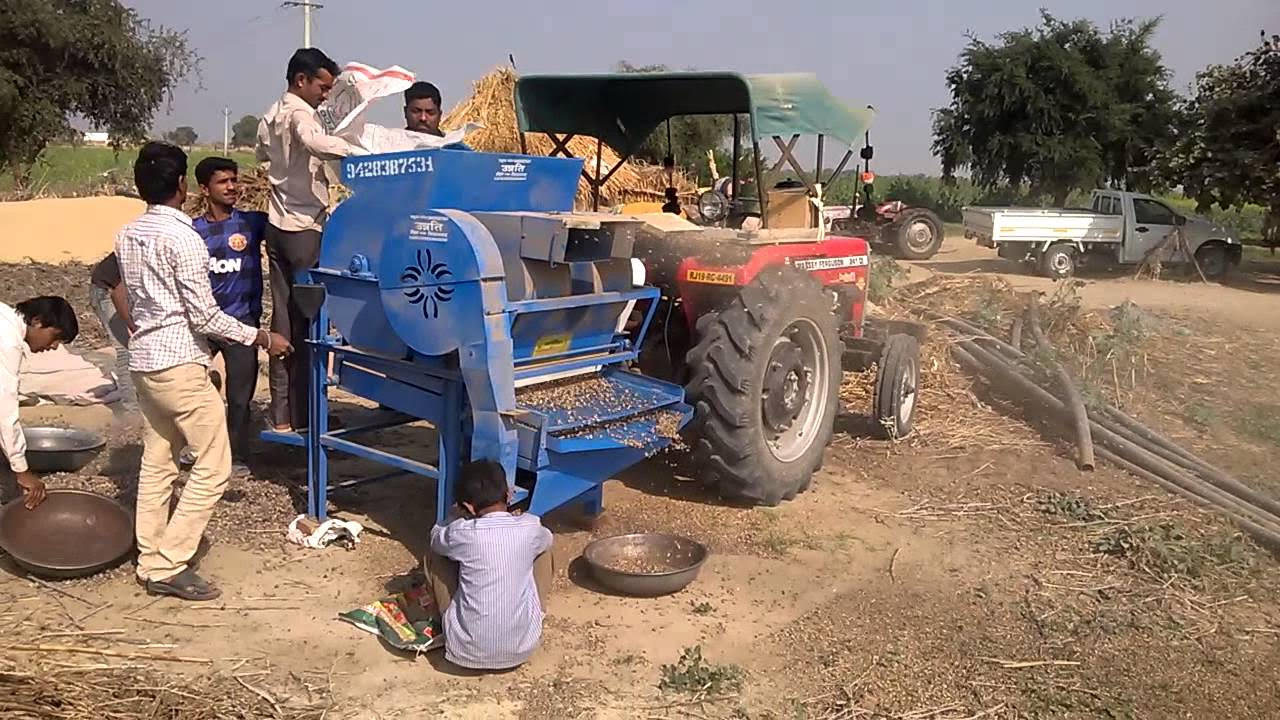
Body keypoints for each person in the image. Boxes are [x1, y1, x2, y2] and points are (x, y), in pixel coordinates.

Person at [116, 141, 292, 601]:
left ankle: (150, 552)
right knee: (214, 466)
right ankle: (169, 564)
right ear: (181, 186)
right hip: (179, 363)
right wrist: (261, 338)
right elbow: (206, 318)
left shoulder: (128, 234)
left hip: (145, 362)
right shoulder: (184, 238)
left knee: (158, 461)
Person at [256, 47, 358, 433]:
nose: (325, 95)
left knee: (284, 322)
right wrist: (358, 150)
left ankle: (284, 415)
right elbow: (315, 142)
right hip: (303, 228)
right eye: (322, 86)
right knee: (313, 326)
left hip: (278, 222)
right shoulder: (301, 114)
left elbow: (261, 154)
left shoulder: (269, 115)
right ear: (301, 81)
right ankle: (311, 413)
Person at [426, 460, 554, 671]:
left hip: (464, 650)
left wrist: (452, 517)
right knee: (543, 546)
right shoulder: (530, 526)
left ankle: (446, 619)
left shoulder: (461, 532)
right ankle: (537, 611)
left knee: (437, 553)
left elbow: (436, 539)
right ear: (509, 494)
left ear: (468, 506)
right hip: (521, 648)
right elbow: (546, 539)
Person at [192, 157, 269, 478]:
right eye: (222, 182)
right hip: (203, 325)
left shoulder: (253, 223)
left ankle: (237, 456)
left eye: (234, 180)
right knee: (192, 392)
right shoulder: (192, 230)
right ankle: (197, 449)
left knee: (240, 399)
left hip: (242, 326)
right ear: (204, 189)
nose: (232, 187)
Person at [0, 296, 78, 509]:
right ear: (36, 321)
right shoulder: (7, 342)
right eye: (55, 337)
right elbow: (4, 410)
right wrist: (21, 470)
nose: (53, 347)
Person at [88, 253, 136, 410]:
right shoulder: (139, 249)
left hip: (128, 291)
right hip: (107, 290)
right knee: (128, 350)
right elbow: (117, 293)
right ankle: (133, 413)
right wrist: (133, 327)